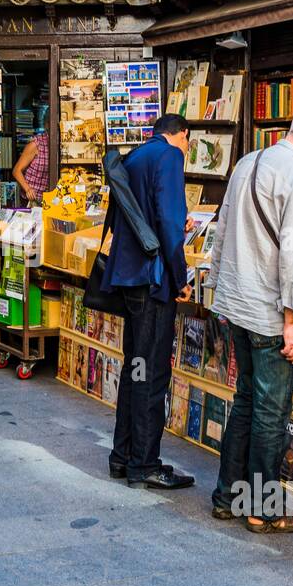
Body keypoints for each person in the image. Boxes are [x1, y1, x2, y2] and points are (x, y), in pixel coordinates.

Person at [207, 103, 293, 532]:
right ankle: (261, 509)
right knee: (270, 413)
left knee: (245, 401)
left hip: (237, 305)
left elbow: (221, 230)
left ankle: (228, 496)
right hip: (269, 314)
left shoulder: (247, 162)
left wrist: (215, 287)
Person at [100, 113, 195, 490]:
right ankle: (145, 463)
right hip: (154, 282)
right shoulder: (170, 157)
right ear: (182, 135)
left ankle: (122, 456)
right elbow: (170, 223)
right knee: (152, 372)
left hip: (129, 278)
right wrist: (181, 275)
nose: (187, 150)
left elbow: (144, 214)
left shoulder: (136, 156)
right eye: (188, 143)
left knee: (134, 367)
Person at [11, 127, 50, 203]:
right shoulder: (37, 144)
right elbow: (16, 171)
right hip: (32, 200)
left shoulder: (59, 145)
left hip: (50, 198)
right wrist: (28, 189)